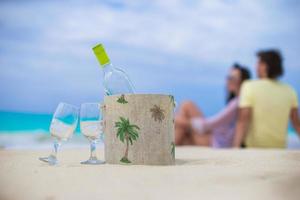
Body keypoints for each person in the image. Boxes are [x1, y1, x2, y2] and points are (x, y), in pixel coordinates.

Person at [233, 50, 300, 148]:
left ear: (264, 66)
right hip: (279, 149)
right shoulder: (290, 91)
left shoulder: (249, 86)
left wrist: (235, 147)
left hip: (254, 149)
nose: (256, 66)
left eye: (258, 63)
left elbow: (242, 121)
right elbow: (296, 124)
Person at [175, 64, 251, 147]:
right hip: (216, 137)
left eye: (231, 78)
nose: (228, 80)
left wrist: (180, 121)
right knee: (186, 110)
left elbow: (213, 123)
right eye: (228, 77)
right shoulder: (238, 101)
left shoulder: (238, 102)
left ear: (241, 82)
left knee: (185, 112)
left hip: (218, 142)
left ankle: (165, 149)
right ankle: (167, 149)